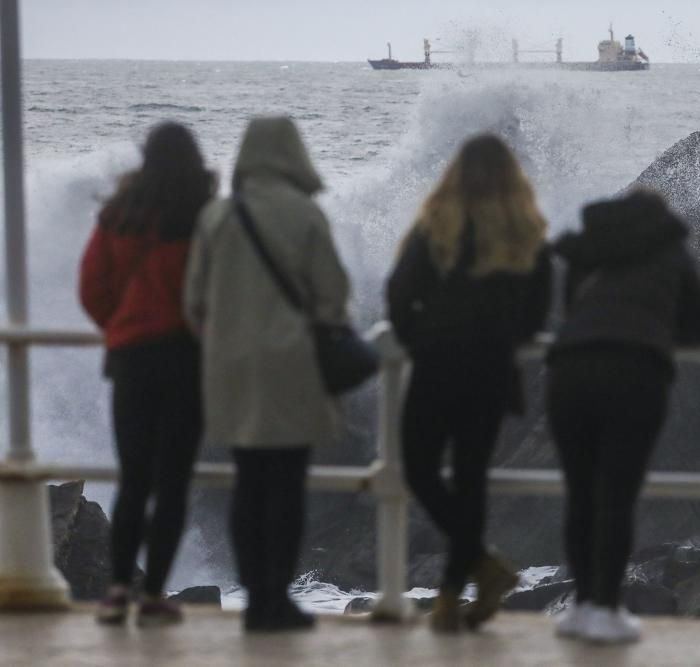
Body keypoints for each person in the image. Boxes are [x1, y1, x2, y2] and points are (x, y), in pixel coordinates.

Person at [184, 117, 350, 632]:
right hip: (291, 367)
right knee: (286, 486)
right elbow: (333, 297)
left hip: (230, 368)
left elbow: (193, 302)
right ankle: (276, 598)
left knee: (247, 482)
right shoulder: (305, 214)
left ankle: (255, 597)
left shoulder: (216, 216)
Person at [386, 134, 552, 633]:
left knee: (417, 468)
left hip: (436, 367)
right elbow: (536, 315)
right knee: (470, 479)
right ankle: (458, 589)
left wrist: (419, 340)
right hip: (491, 372)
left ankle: (476, 574)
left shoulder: (435, 227)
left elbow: (398, 296)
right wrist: (503, 338)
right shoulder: (527, 235)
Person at [545, 189, 700, 644]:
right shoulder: (670, 250)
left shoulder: (586, 250)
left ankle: (580, 606)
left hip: (570, 372)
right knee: (616, 494)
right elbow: (697, 324)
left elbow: (569, 310)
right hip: (635, 373)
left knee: (580, 493)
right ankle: (605, 606)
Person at [80, 122, 214, 626]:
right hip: (187, 359)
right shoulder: (203, 217)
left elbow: (92, 287)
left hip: (132, 360)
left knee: (134, 479)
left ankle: (117, 591)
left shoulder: (119, 215)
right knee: (174, 482)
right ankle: (155, 593)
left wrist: (119, 327)